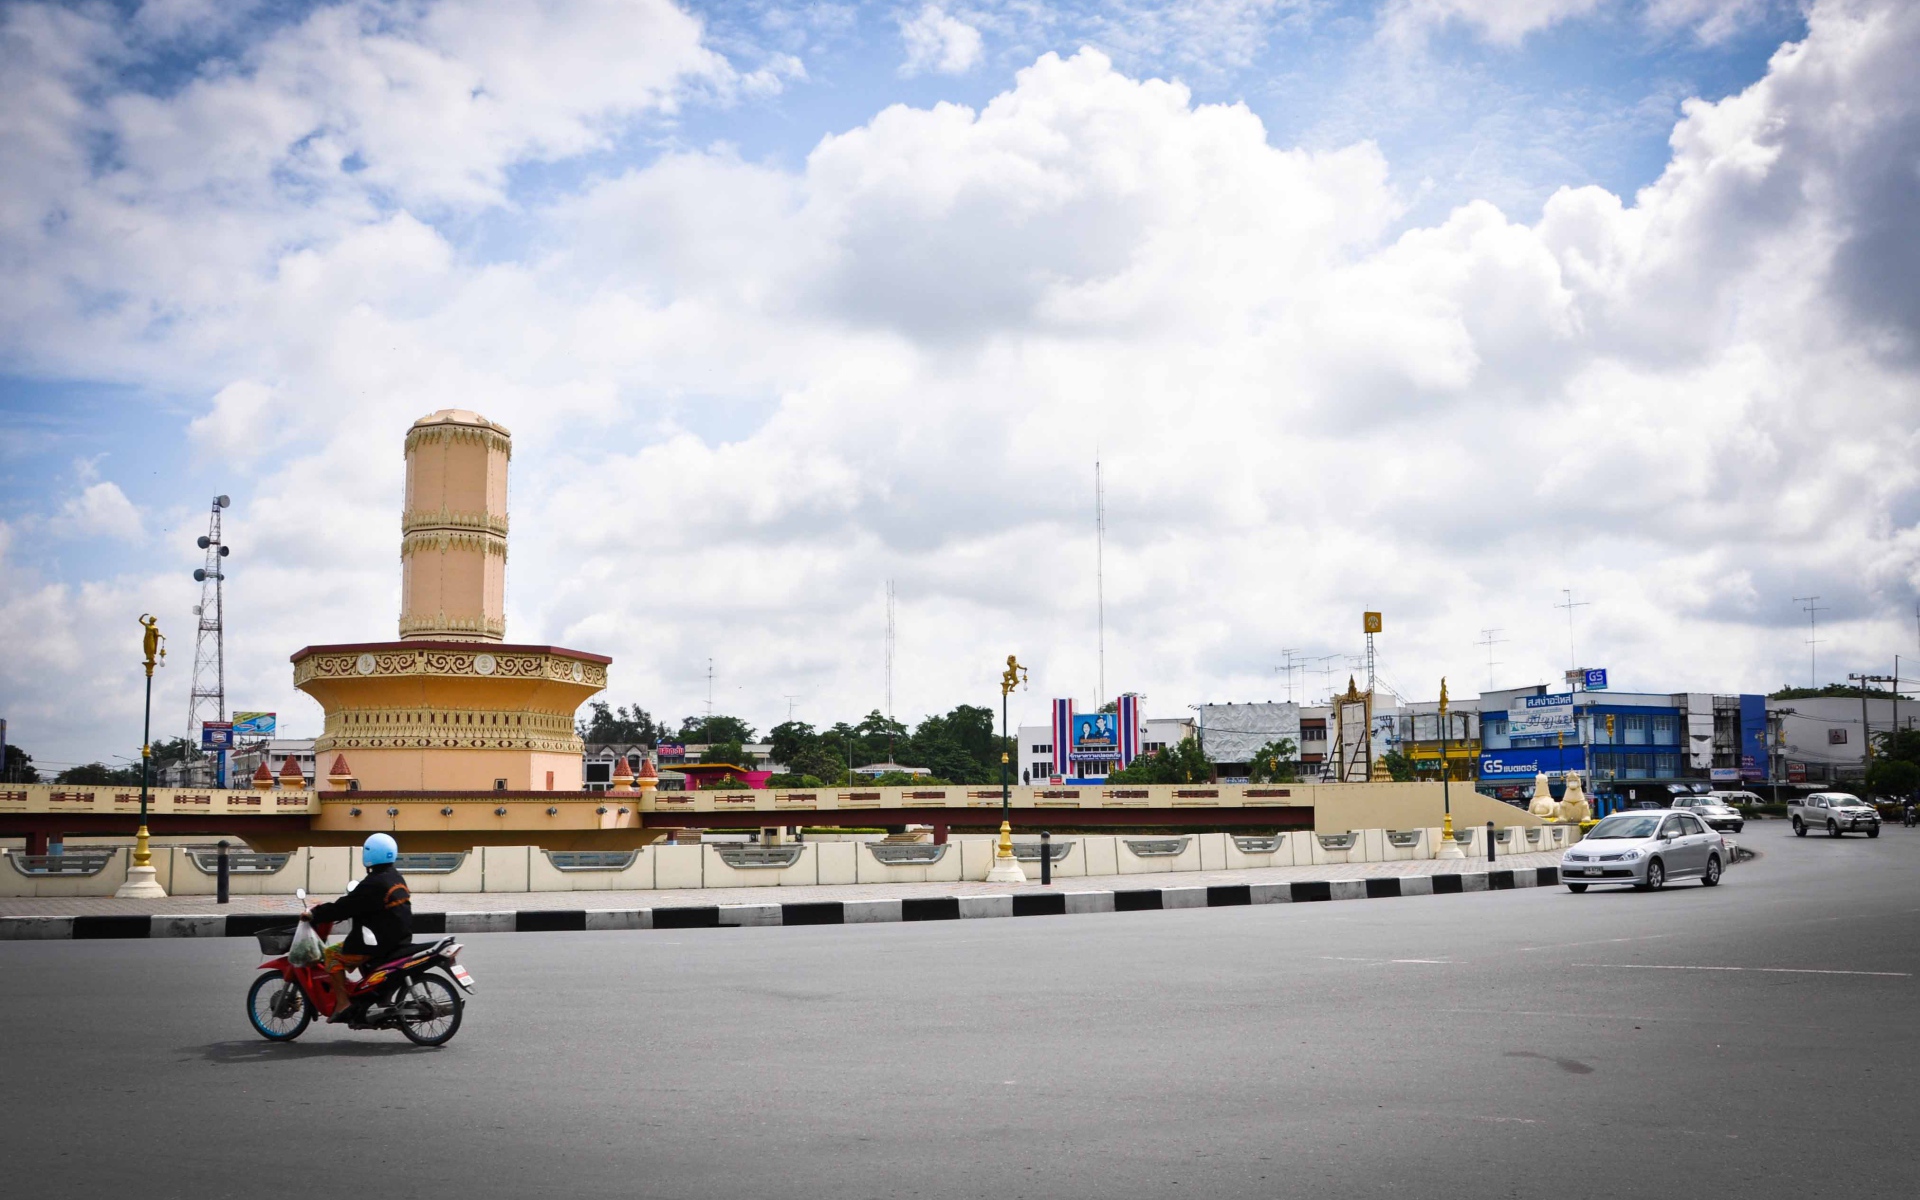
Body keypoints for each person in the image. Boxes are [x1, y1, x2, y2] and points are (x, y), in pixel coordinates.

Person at [304, 833, 413, 1022]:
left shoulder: (373, 883)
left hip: (378, 943)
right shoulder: (396, 877)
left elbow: (344, 907)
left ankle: (343, 1002)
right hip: (399, 940)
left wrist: (316, 913)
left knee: (331, 955)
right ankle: (377, 996)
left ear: (369, 855)